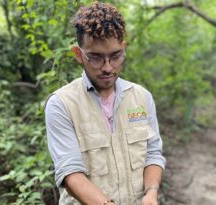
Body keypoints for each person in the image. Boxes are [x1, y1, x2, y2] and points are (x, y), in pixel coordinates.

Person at [44, 2, 166, 205]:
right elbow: (70, 172)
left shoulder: (142, 98)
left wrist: (151, 193)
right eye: (96, 58)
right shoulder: (62, 104)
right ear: (78, 54)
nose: (108, 68)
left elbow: (153, 154)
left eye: (115, 56)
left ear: (124, 48)